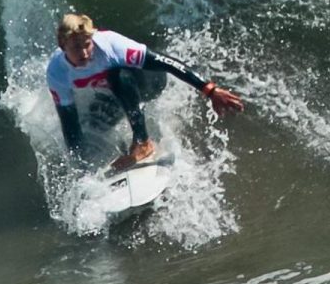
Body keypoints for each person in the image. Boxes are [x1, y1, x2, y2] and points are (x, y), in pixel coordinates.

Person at [47, 13, 244, 170]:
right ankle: (130, 140)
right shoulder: (57, 72)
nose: (83, 53)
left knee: (117, 74)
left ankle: (142, 142)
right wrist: (79, 166)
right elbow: (69, 122)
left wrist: (210, 90)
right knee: (95, 123)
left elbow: (168, 63)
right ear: (62, 45)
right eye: (75, 47)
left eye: (87, 44)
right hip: (116, 93)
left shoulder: (110, 46)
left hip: (149, 82)